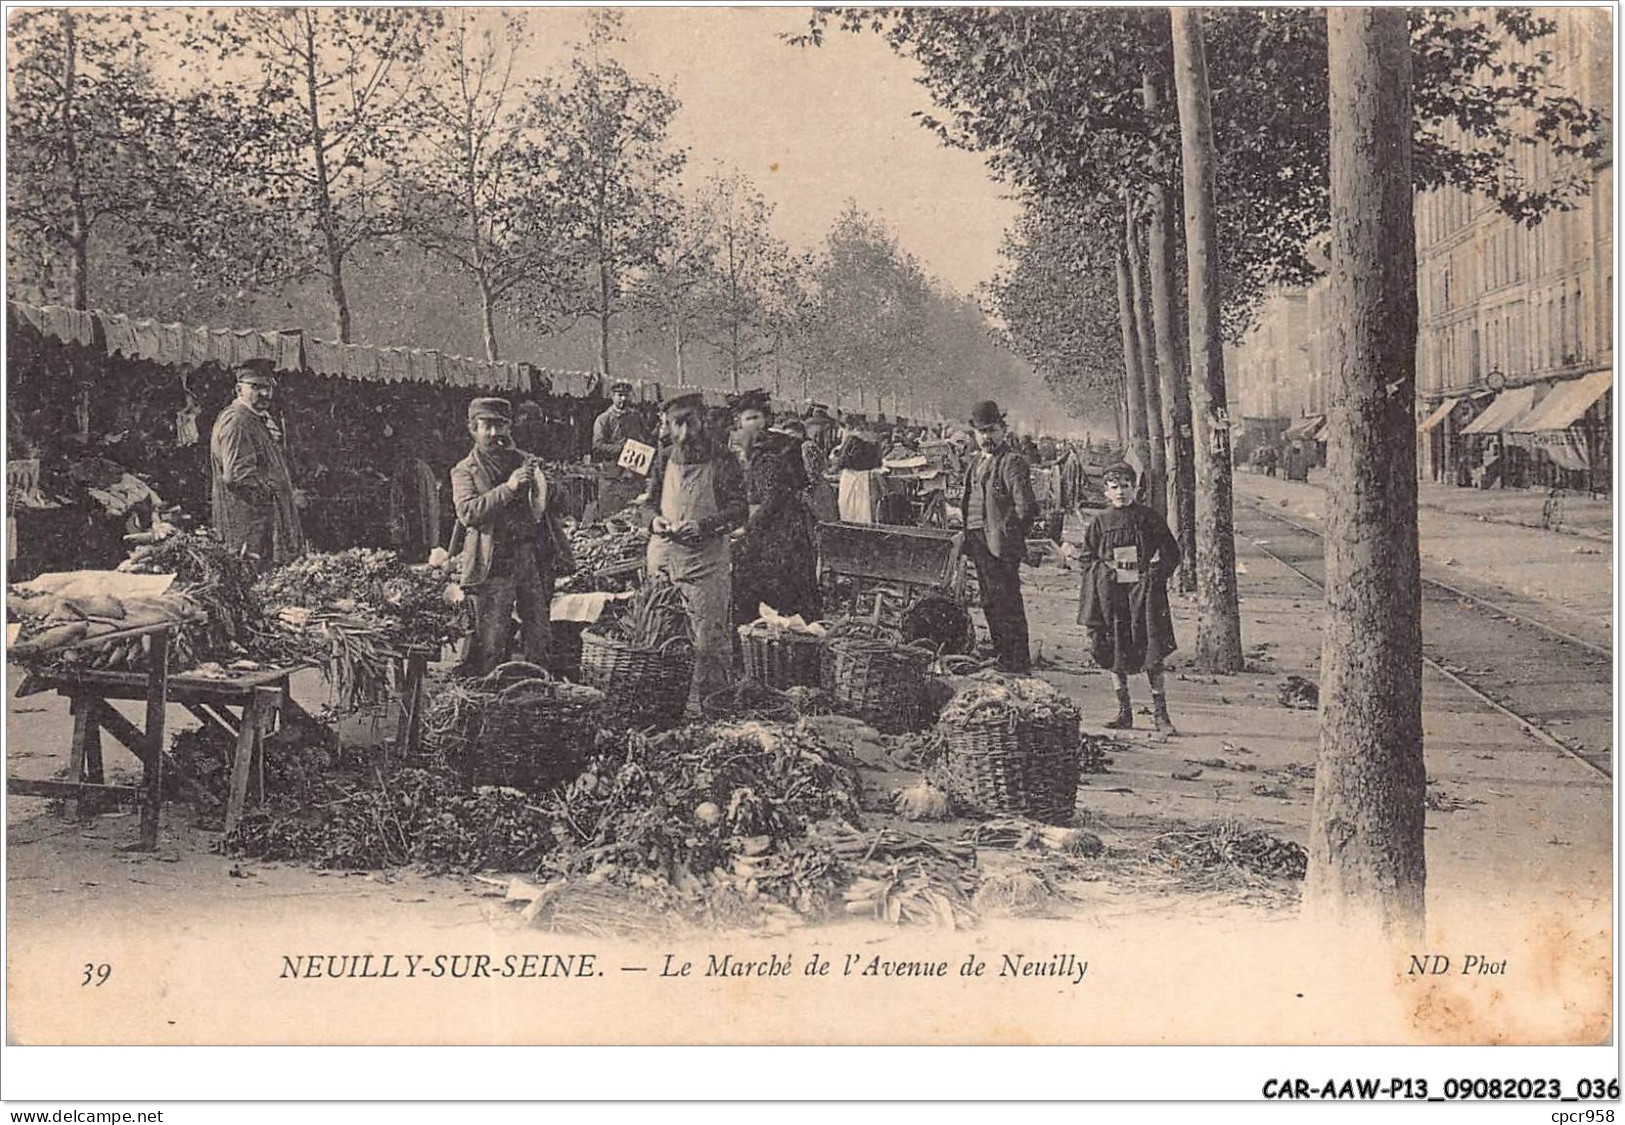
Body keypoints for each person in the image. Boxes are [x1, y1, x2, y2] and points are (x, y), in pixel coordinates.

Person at [641, 393, 749, 705]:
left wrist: (704, 526)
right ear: (668, 425)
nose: (685, 433)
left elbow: (739, 510)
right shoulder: (663, 458)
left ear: (703, 420)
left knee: (708, 641)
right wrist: (654, 522)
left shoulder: (722, 460)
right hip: (663, 558)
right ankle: (665, 705)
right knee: (661, 634)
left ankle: (710, 706)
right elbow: (647, 504)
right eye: (678, 424)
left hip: (705, 563)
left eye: (691, 422)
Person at [450, 397, 571, 675]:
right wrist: (509, 487)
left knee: (539, 636)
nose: (495, 434)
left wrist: (547, 486)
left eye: (501, 425)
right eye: (487, 426)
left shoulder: (525, 461)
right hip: (493, 563)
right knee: (492, 642)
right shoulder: (464, 470)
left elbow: (561, 503)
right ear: (473, 429)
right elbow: (468, 512)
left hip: (530, 558)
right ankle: (492, 700)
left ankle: (535, 695)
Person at [1077, 461, 1181, 734]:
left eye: (1126, 486)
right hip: (1112, 595)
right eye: (1114, 487)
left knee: (1152, 650)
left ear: (1135, 489)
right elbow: (1086, 559)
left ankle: (1161, 715)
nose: (1121, 492)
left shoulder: (1149, 518)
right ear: (1106, 492)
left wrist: (1155, 575)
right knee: (1114, 650)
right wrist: (1103, 573)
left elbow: (1172, 552)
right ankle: (1124, 712)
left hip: (1143, 594)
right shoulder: (1099, 522)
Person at [730, 390, 820, 623]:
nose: (754, 423)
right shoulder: (761, 447)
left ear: (766, 419)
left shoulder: (769, 453)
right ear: (739, 422)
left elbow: (773, 498)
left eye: (757, 417)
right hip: (781, 524)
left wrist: (747, 528)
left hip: (779, 530)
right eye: (748, 419)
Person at [959, 400, 1036, 674]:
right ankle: (1002, 653)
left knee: (1008, 602)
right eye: (981, 432)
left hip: (1000, 544)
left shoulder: (1012, 462)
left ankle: (1017, 661)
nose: (986, 437)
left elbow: (1026, 507)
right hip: (978, 541)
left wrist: (1008, 535)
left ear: (1003, 430)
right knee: (990, 599)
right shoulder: (976, 461)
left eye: (991, 430)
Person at [209, 360, 305, 569]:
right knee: (250, 577)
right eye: (256, 387)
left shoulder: (255, 418)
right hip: (248, 525)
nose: (264, 393)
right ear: (239, 389)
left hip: (262, 522)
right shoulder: (237, 421)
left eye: (268, 387)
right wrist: (275, 491)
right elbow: (238, 476)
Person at [591, 380, 652, 517]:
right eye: (619, 395)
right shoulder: (603, 419)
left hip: (634, 476)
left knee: (634, 517)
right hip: (613, 477)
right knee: (611, 516)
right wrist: (621, 449)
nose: (623, 399)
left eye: (626, 395)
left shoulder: (636, 417)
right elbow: (597, 445)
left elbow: (647, 438)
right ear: (612, 396)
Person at [830, 415, 885, 523]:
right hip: (868, 478)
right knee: (866, 511)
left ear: (848, 426)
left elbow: (842, 461)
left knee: (850, 511)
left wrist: (834, 457)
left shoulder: (852, 439)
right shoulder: (874, 439)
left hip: (852, 478)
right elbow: (879, 462)